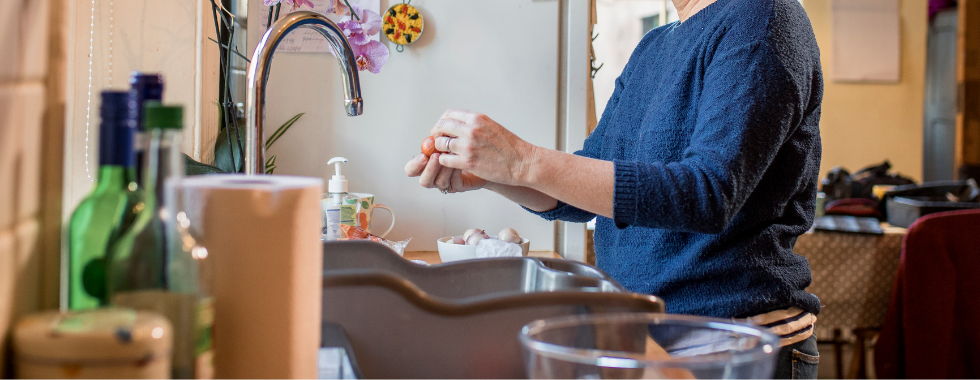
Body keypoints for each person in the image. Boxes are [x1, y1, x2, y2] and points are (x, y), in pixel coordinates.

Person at [405, 0, 822, 377]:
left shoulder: (762, 16)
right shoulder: (654, 46)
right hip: (643, 339)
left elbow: (707, 193)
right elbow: (587, 185)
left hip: (730, 345)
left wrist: (523, 160)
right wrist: (497, 175)